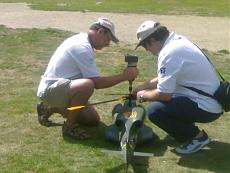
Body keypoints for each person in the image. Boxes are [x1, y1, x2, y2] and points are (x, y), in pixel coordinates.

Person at [36, 18, 138, 140]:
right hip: (51, 90)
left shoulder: (82, 40)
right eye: (108, 39)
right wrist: (124, 76)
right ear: (100, 31)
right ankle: (69, 126)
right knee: (87, 85)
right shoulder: (81, 47)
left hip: (62, 88)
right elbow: (97, 83)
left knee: (92, 120)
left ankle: (49, 108)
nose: (107, 44)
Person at [133, 20, 223, 154]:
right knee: (167, 100)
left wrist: (142, 95)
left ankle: (198, 138)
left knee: (155, 111)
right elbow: (169, 76)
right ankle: (185, 129)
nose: (146, 50)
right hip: (213, 100)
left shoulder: (168, 53)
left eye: (145, 46)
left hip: (207, 106)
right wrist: (143, 86)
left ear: (152, 40)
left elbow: (164, 94)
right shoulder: (178, 41)